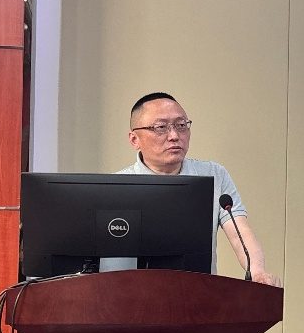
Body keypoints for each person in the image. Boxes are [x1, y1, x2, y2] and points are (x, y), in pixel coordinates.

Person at [119, 91, 282, 287]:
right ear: (134, 140)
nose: (174, 136)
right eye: (161, 127)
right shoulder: (118, 186)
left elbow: (239, 231)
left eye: (181, 125)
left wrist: (256, 271)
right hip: (136, 296)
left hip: (199, 295)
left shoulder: (213, 174)